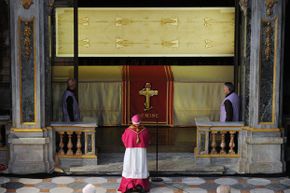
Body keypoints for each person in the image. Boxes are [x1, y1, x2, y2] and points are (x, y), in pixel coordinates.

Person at [118, 114, 150, 193]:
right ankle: (141, 184)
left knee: (130, 165)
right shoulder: (145, 131)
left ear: (132, 121)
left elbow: (124, 139)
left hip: (131, 153)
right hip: (141, 153)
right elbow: (148, 140)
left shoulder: (128, 131)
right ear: (140, 121)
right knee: (140, 165)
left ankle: (129, 185)